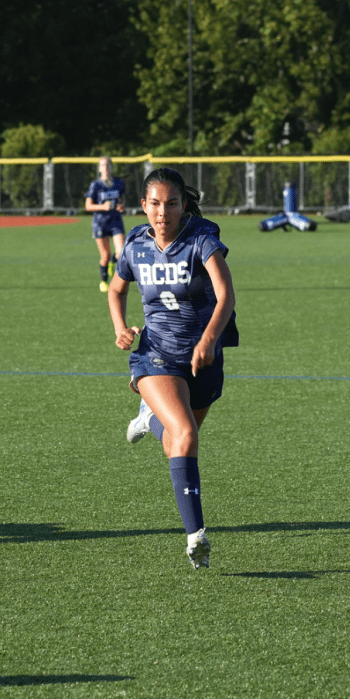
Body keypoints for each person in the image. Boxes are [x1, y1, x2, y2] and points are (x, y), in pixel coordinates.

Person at [107, 168, 238, 570]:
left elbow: (226, 294)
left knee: (178, 442)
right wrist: (120, 329)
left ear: (183, 205)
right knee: (184, 434)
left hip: (201, 358)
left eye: (172, 203)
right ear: (143, 206)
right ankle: (196, 536)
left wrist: (208, 339)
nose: (163, 212)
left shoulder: (201, 240)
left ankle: (150, 418)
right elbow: (116, 290)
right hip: (155, 354)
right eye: (155, 204)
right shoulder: (134, 246)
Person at [85, 156, 126, 293]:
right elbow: (88, 206)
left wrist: (121, 206)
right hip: (100, 223)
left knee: (121, 253)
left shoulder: (118, 183)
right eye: (102, 165)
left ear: (112, 167)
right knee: (105, 255)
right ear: (99, 168)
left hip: (116, 221)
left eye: (108, 165)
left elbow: (121, 200)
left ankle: (113, 262)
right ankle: (103, 282)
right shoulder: (95, 185)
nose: (106, 168)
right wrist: (103, 207)